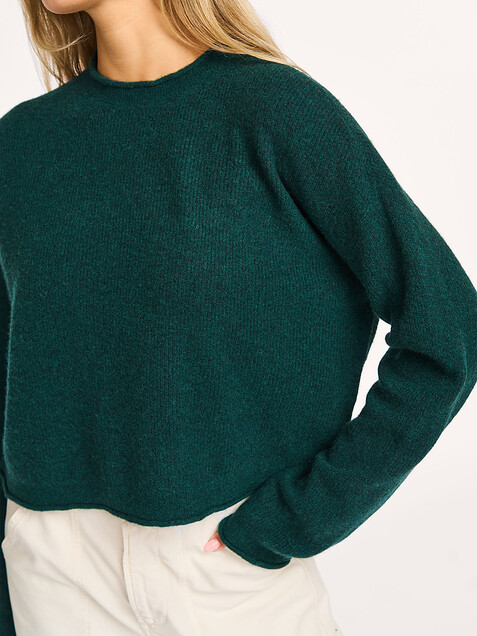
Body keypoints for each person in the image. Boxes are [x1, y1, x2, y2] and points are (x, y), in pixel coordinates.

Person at [1, 0, 476, 634]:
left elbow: (447, 331)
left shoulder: (275, 111)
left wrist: (293, 521)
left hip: (226, 567)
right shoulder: (21, 145)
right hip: (54, 570)